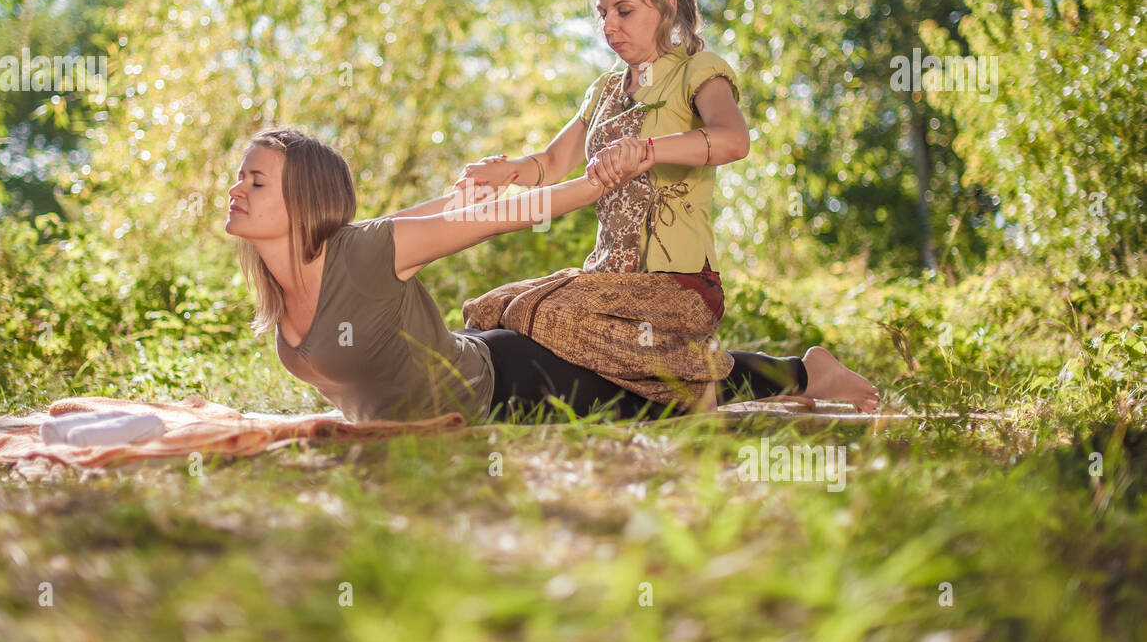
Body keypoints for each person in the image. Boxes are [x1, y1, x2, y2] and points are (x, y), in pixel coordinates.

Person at [457, 0, 880, 412]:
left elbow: (733, 140)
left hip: (679, 286)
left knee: (551, 315)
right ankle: (710, 387)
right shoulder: (604, 90)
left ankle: (799, 376)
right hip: (611, 282)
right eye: (602, 13)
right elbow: (554, 163)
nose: (608, 26)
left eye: (624, 11)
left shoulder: (699, 72)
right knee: (488, 308)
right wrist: (509, 170)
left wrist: (650, 150)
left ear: (667, 10)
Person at [226, 126, 876, 424]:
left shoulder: (367, 253)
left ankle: (806, 371)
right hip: (467, 385)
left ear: (306, 199)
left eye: (256, 180)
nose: (236, 188)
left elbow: (506, 215)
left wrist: (589, 185)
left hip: (514, 383)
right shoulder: (278, 299)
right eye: (239, 175)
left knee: (662, 385)